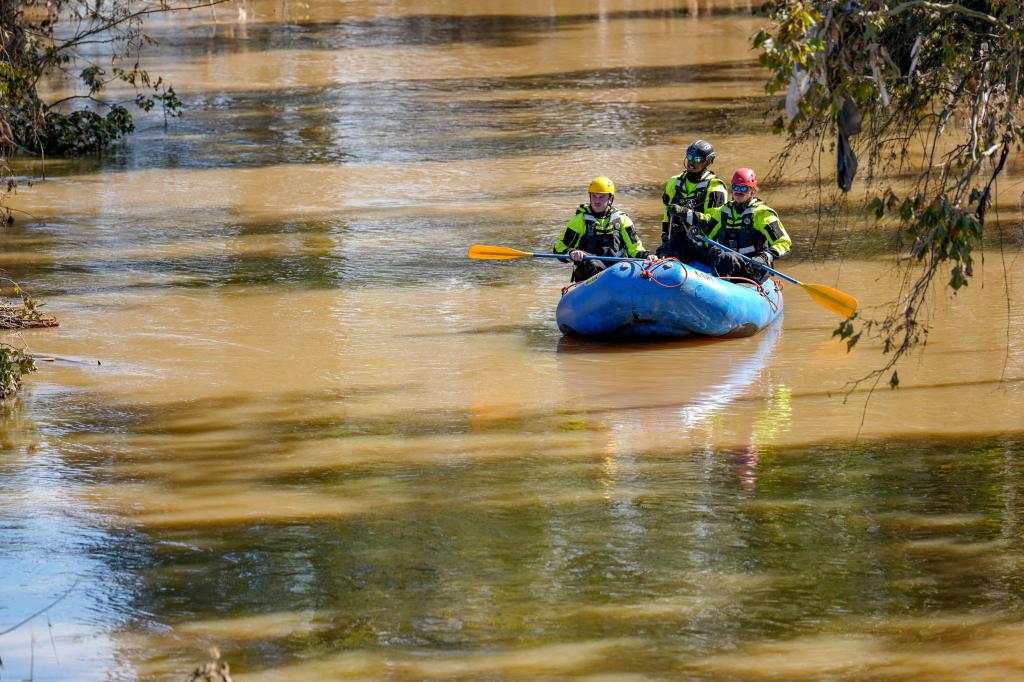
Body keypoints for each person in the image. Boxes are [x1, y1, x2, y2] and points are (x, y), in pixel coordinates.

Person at [674, 167, 791, 283]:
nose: (739, 191)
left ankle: (719, 291)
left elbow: (784, 242)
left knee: (726, 258)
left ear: (752, 191)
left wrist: (765, 257)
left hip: (753, 268)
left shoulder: (762, 214)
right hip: (729, 263)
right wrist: (694, 230)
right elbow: (707, 227)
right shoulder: (724, 211)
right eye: (735, 187)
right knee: (685, 245)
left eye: (744, 188)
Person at [553, 176, 649, 282]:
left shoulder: (623, 220)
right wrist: (571, 253)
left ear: (610, 199)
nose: (597, 201)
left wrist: (647, 256)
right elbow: (559, 248)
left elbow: (635, 249)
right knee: (592, 264)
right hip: (589, 276)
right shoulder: (579, 221)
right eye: (594, 196)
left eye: (601, 197)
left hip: (617, 273)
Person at [655, 139, 728, 263]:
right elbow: (666, 216)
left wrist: (684, 212)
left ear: (707, 162)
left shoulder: (715, 187)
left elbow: (713, 223)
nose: (691, 162)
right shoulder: (674, 182)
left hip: (703, 245)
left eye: (697, 159)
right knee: (659, 254)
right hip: (677, 242)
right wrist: (665, 240)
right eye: (689, 157)